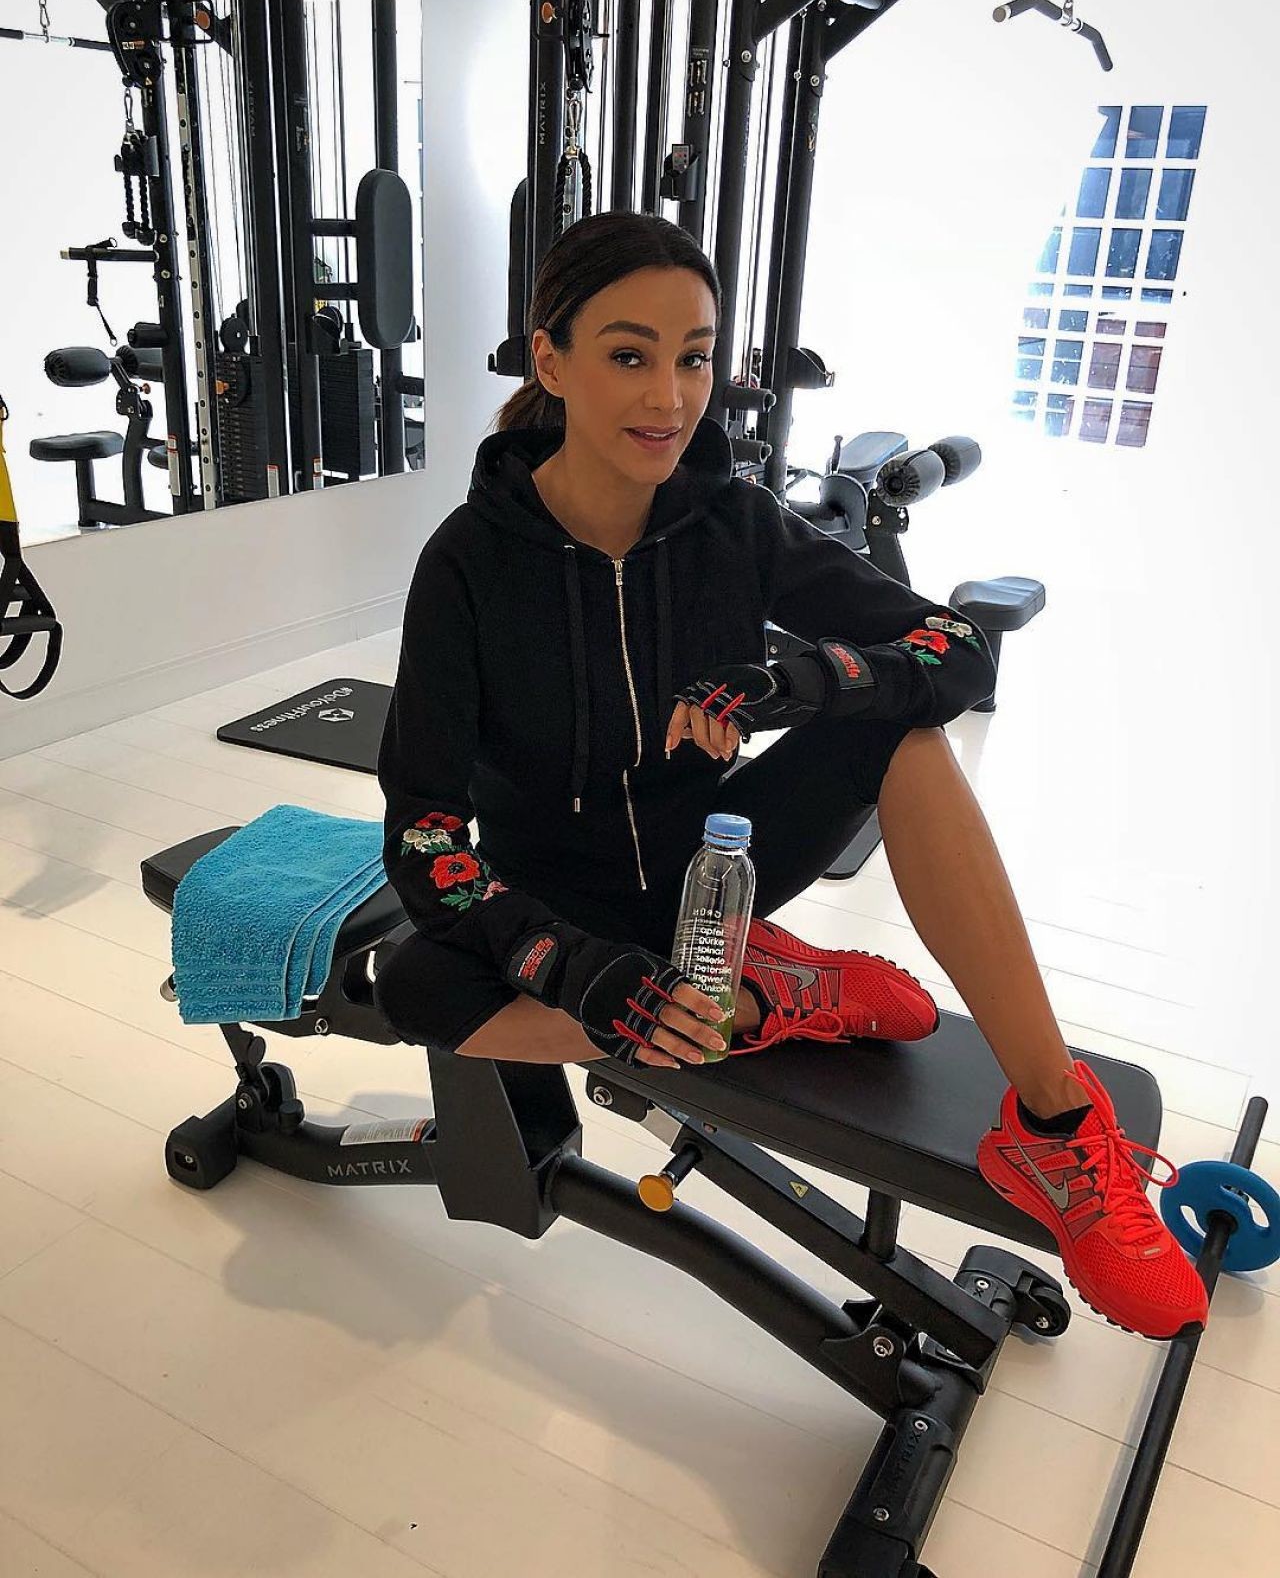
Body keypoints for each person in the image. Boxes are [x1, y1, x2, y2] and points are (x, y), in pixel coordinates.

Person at [375, 210, 1206, 1342]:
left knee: (906, 734)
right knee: (415, 986)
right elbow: (426, 836)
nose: (670, 397)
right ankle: (761, 999)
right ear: (550, 361)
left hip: (711, 868)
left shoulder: (735, 527)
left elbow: (955, 648)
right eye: (628, 356)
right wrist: (570, 969)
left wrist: (804, 681)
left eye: (693, 357)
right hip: (565, 905)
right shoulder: (467, 564)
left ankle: (1054, 1127)